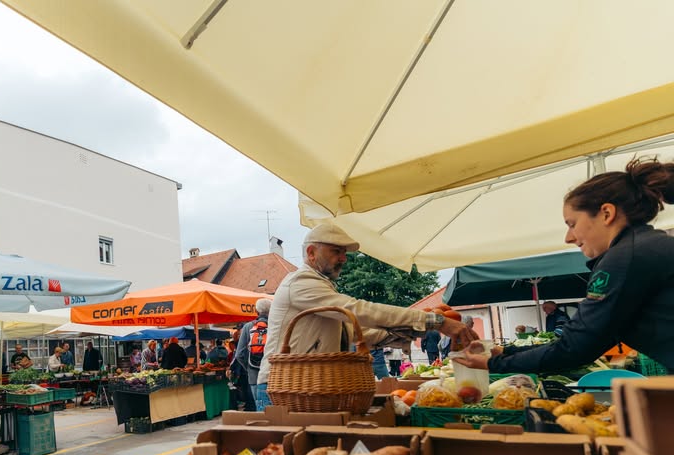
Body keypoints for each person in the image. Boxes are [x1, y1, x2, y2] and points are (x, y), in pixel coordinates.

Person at [455, 158, 674, 374]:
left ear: (607, 213)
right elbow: (587, 340)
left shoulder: (624, 259)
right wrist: (505, 351)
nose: (569, 237)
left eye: (572, 224)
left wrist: (494, 364)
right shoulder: (643, 248)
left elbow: (573, 348)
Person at [255, 222, 476, 409]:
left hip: (304, 385)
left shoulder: (320, 286)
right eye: (336, 251)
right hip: (282, 386)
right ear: (311, 253)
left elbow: (349, 331)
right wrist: (433, 321)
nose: (343, 258)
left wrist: (397, 335)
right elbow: (358, 310)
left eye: (344, 253)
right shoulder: (301, 282)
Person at [235, 298, 271, 404]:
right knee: (276, 410)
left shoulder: (248, 327)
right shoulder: (275, 325)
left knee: (260, 407)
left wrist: (249, 368)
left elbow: (239, 354)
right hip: (272, 374)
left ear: (257, 311)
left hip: (254, 375)